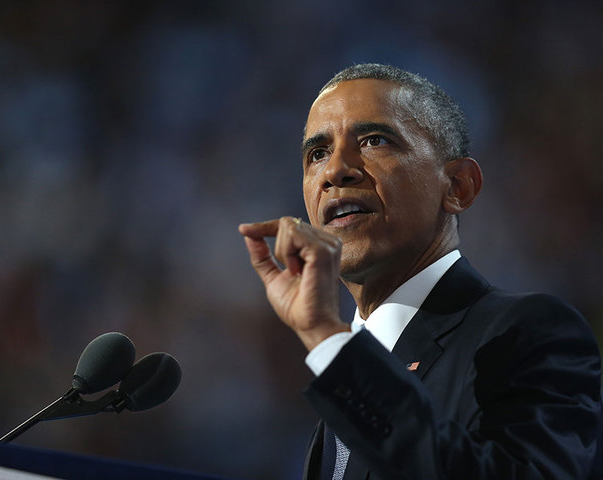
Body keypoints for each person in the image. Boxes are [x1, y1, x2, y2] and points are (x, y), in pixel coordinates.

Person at [238, 63, 602, 480]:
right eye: (317, 153)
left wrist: (327, 338)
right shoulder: (341, 385)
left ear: (458, 186)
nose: (335, 170)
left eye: (375, 140)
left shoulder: (529, 333)